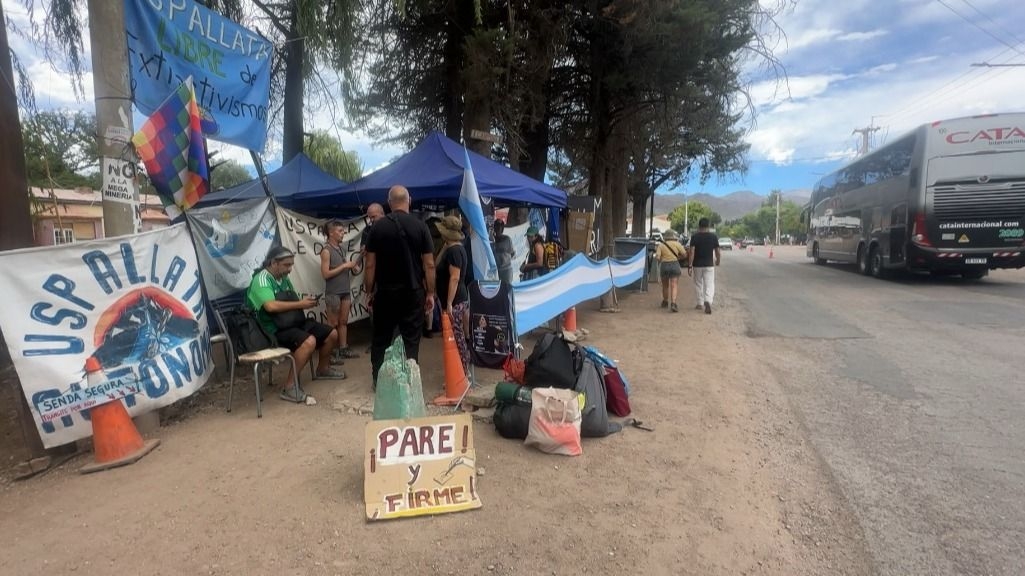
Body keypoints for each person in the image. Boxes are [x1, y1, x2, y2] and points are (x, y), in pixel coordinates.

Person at [247, 246, 345, 403]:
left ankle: (323, 369)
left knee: (332, 334)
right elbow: (270, 306)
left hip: (292, 323)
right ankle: (289, 386)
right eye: (286, 265)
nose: (290, 269)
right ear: (273, 263)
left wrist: (307, 302)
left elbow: (293, 300)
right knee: (309, 342)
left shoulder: (283, 278)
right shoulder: (262, 279)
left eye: (291, 265)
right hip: (272, 330)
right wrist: (301, 305)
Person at [362, 186, 436, 387]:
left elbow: (370, 264)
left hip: (385, 293)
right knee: (411, 338)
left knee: (381, 338)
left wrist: (369, 291)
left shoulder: (377, 228)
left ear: (389, 202)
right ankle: (409, 382)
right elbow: (429, 264)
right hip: (413, 293)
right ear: (409, 200)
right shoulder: (420, 226)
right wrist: (431, 293)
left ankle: (379, 381)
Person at [434, 215, 471, 372]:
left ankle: (463, 371)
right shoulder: (452, 248)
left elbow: (454, 278)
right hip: (454, 299)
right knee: (455, 337)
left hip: (455, 300)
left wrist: (449, 302)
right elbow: (436, 265)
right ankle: (460, 370)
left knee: (457, 337)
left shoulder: (454, 251)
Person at [321, 219, 359, 361]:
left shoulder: (341, 249)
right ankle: (329, 354)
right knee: (332, 324)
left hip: (345, 291)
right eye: (340, 231)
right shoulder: (326, 251)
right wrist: (344, 266)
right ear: (331, 233)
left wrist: (353, 267)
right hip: (333, 293)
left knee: (343, 321)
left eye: (343, 231)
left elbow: (343, 267)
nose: (343, 233)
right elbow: (325, 274)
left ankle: (343, 348)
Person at [687, 217, 721, 314]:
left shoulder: (694, 237)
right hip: (709, 265)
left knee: (698, 283)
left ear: (699, 226)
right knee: (710, 284)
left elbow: (692, 252)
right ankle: (708, 300)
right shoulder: (713, 237)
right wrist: (718, 260)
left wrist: (690, 265)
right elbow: (717, 251)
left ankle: (699, 303)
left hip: (697, 265)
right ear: (708, 226)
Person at [655, 229, 687, 312]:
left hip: (664, 265)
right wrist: (677, 258)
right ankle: (673, 303)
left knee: (665, 286)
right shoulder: (677, 244)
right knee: (674, 285)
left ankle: (665, 301)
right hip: (675, 265)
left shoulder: (661, 245)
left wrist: (662, 259)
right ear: (673, 236)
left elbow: (657, 257)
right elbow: (684, 254)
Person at [491, 220, 516, 285]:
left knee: (507, 289)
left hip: (506, 270)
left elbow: (512, 253)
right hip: (495, 271)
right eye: (497, 226)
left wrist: (505, 259)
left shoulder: (507, 239)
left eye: (500, 227)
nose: (498, 228)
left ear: (502, 228)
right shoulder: (491, 240)